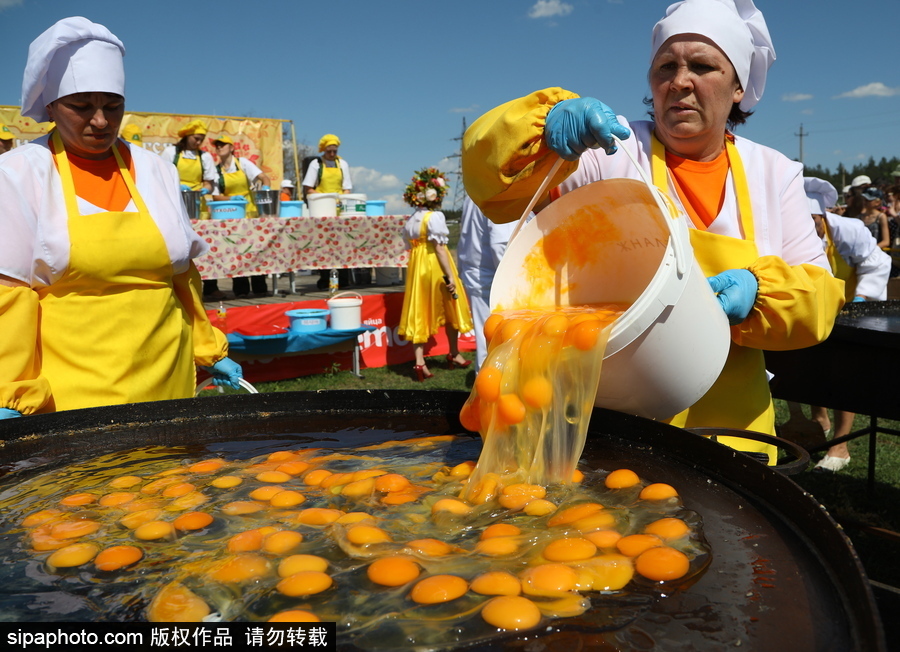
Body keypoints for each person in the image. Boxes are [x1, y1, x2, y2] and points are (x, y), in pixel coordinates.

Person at [461, 0, 845, 464]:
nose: (680, 81)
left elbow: (820, 297)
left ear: (738, 86)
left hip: (730, 429)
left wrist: (759, 290)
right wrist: (539, 133)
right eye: (666, 66)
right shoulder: (607, 152)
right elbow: (489, 180)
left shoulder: (774, 174)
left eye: (702, 66)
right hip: (608, 424)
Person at [0, 17, 242, 421]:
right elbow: (10, 293)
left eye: (113, 106)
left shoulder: (155, 170)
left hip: (167, 377)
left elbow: (182, 275)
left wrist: (206, 345)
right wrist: (10, 390)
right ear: (52, 107)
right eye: (81, 106)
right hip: (75, 390)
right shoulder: (20, 173)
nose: (100, 121)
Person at [799, 177, 891, 472]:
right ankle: (819, 420)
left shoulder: (850, 230)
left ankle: (841, 445)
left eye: (813, 221)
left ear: (824, 217)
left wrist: (862, 298)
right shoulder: (791, 234)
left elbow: (877, 262)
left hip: (853, 306)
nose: (808, 228)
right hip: (814, 307)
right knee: (811, 365)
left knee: (844, 374)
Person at [397, 168, 474, 381]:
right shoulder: (435, 217)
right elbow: (440, 248)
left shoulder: (412, 220)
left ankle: (420, 362)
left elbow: (408, 246)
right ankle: (453, 351)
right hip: (434, 265)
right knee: (451, 304)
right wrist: (450, 275)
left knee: (419, 308)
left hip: (417, 266)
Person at [160, 119, 223, 299]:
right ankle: (175, 288)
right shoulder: (171, 152)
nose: (199, 142)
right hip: (174, 204)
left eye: (202, 139)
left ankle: (210, 288)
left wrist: (205, 190)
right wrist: (177, 188)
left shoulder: (205, 157)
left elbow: (209, 183)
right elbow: (161, 176)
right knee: (176, 246)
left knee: (203, 247)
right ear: (187, 136)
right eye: (196, 138)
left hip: (197, 206)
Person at [457, 193, 517, 372]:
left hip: (476, 273)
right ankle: (491, 389)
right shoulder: (498, 192)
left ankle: (486, 386)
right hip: (493, 280)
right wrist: (513, 282)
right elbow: (501, 243)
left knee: (486, 340)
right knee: (495, 341)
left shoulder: (475, 191)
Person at [210, 134, 272, 297]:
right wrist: (231, 198)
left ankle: (260, 288)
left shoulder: (243, 163)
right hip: (231, 215)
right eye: (217, 145)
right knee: (237, 253)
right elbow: (215, 196)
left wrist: (265, 191)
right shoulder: (216, 171)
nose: (219, 147)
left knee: (256, 251)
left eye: (223, 144)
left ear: (231, 148)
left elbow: (264, 178)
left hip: (250, 212)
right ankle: (241, 290)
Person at [305, 134, 355, 290]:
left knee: (342, 244)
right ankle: (325, 279)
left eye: (334, 151)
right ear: (323, 150)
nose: (332, 154)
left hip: (339, 208)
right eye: (329, 151)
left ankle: (344, 279)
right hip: (321, 207)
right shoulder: (316, 164)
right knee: (324, 245)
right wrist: (323, 197)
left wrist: (341, 198)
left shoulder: (343, 164)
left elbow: (347, 188)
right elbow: (308, 188)